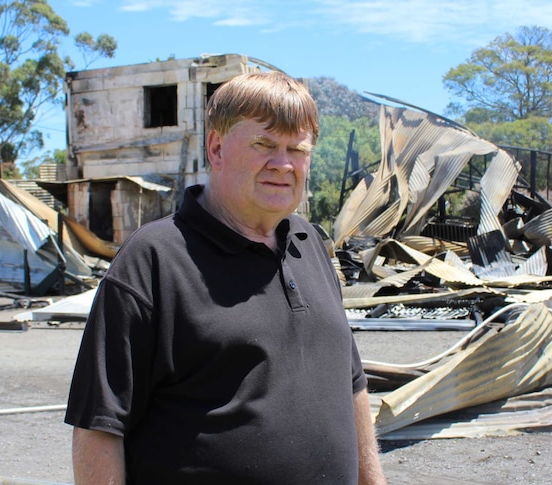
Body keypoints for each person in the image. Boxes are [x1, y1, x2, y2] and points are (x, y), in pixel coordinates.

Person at [65, 70, 386, 484]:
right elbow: (99, 426)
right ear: (216, 148)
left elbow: (351, 383)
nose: (283, 164)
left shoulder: (309, 243)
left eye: (297, 149)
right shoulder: (154, 260)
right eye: (263, 145)